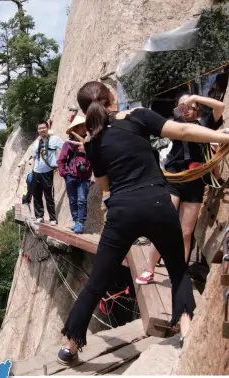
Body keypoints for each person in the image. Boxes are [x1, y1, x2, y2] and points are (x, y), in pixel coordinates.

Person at [56, 81, 229, 365]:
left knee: (96, 283)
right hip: (158, 203)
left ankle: (70, 346)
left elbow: (105, 185)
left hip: (122, 212)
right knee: (177, 270)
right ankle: (185, 330)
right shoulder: (137, 116)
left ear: (86, 112)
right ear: (113, 99)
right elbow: (184, 130)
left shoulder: (92, 143)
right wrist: (222, 138)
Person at [136, 93, 225, 285]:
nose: (187, 109)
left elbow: (220, 107)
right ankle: (149, 269)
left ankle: (178, 274)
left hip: (195, 181)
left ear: (197, 109)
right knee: (164, 223)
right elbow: (167, 120)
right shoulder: (174, 122)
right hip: (174, 177)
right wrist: (184, 104)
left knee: (186, 232)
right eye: (183, 106)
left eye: (191, 106)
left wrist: (196, 97)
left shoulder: (206, 124)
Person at [58, 115, 93, 234]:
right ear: (76, 128)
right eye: (81, 126)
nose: (84, 128)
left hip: (85, 176)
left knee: (82, 200)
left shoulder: (90, 141)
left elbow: (96, 157)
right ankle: (76, 221)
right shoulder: (68, 143)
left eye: (85, 126)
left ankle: (80, 223)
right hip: (71, 175)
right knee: (72, 200)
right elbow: (61, 159)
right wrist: (64, 173)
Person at [32, 121, 64, 225]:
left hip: (47, 172)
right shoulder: (37, 142)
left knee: (48, 196)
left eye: (43, 128)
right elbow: (34, 158)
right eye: (39, 128)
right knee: (37, 196)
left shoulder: (54, 139)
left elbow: (65, 148)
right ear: (38, 131)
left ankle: (52, 218)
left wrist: (60, 163)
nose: (42, 130)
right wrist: (31, 171)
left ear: (47, 128)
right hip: (36, 172)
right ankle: (39, 216)